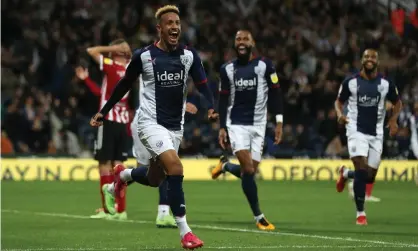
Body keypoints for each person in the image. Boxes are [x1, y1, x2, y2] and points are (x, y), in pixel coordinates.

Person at [90, 5, 217, 249]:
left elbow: (202, 83)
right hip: (149, 123)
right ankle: (185, 232)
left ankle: (123, 176)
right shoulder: (144, 56)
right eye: (169, 23)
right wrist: (104, 112)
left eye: (177, 23)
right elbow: (123, 86)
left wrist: (211, 106)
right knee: (176, 168)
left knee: (155, 178)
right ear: (160, 28)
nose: (175, 27)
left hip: (174, 127)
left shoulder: (189, 56)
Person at [211, 29, 283, 231]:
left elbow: (277, 95)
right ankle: (259, 217)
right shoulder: (226, 69)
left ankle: (225, 166)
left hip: (259, 125)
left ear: (252, 43)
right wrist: (223, 127)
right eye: (238, 39)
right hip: (237, 125)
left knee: (249, 171)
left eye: (245, 39)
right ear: (234, 44)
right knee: (249, 170)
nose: (241, 42)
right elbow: (223, 100)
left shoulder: (265, 66)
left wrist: (279, 123)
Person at [335, 49, 402, 225]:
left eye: (372, 57)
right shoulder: (351, 82)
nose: (369, 59)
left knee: (370, 176)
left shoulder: (386, 84)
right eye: (366, 57)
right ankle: (360, 213)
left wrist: (394, 120)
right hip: (355, 130)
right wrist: (339, 114)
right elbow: (338, 101)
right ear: (361, 60)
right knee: (362, 168)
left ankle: (345, 173)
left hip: (377, 133)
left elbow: (398, 102)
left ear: (377, 62)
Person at [85, 39, 132, 219]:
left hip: (108, 120)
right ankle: (121, 210)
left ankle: (107, 209)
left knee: (104, 165)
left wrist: (112, 48)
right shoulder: (131, 69)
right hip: (123, 121)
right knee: (119, 165)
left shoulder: (110, 65)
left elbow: (91, 50)